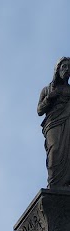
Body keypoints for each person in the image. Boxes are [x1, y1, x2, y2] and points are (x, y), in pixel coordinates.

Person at [38, 58, 70, 188]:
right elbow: (39, 110)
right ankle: (53, 183)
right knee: (55, 150)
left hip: (68, 121)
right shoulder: (47, 89)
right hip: (53, 124)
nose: (67, 69)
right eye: (64, 66)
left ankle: (66, 183)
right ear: (57, 69)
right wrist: (50, 97)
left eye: (69, 67)